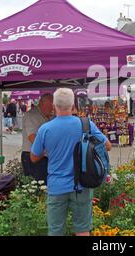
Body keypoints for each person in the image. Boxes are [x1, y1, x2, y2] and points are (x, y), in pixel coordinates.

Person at [30, 88, 112, 236]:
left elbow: (34, 157)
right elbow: (107, 146)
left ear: (54, 106)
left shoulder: (45, 129)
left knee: (55, 231)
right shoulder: (86, 124)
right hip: (82, 184)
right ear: (73, 105)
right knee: (82, 230)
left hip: (56, 186)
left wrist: (49, 149)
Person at [21, 94, 54, 183]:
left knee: (44, 185)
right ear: (42, 103)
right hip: (32, 156)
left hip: (43, 156)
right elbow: (33, 138)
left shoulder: (47, 115)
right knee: (37, 187)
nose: (52, 109)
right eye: (50, 106)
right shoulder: (32, 115)